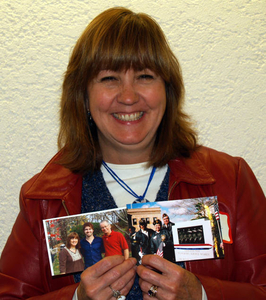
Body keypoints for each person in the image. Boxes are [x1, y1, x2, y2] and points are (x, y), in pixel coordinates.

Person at [0, 6, 265, 300]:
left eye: (144, 76)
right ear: (83, 96)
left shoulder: (231, 181)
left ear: (168, 90)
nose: (128, 97)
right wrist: (76, 299)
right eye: (109, 78)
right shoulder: (42, 199)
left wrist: (202, 295)